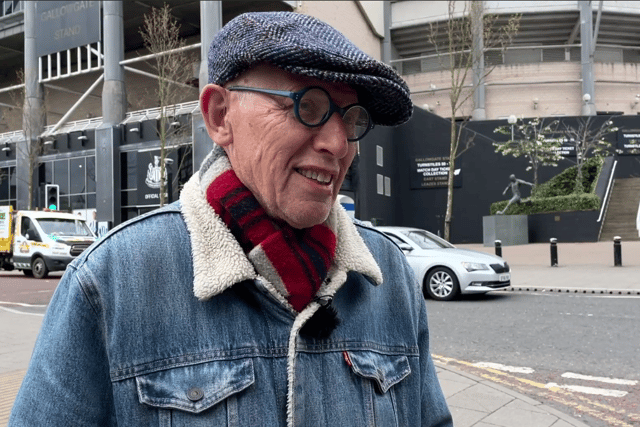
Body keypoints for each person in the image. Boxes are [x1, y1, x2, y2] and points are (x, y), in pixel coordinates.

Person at [10, 12, 452, 427]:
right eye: (309, 106)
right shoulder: (110, 283)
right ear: (220, 117)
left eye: (352, 117)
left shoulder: (388, 277)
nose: (338, 144)